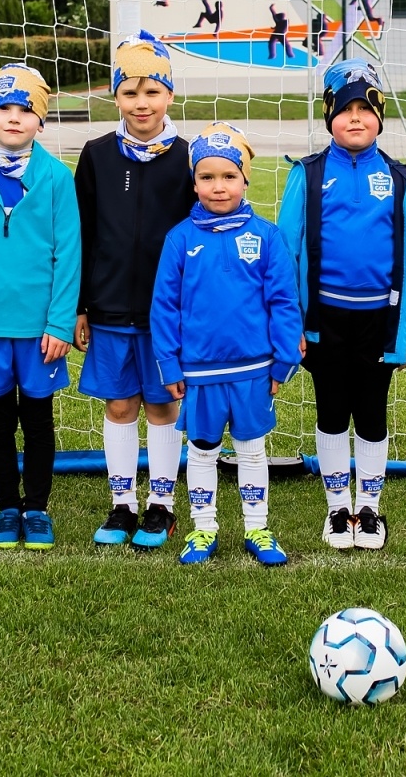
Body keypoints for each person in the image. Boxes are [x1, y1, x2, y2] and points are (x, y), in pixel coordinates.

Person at [277, 60, 406, 550]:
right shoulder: (307, 175)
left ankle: (369, 507)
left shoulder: (402, 181)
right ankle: (336, 507)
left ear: (381, 117)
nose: (356, 118)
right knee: (331, 411)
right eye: (345, 109)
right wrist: (288, 326)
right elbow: (285, 252)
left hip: (379, 322)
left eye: (366, 108)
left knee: (371, 411)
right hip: (323, 321)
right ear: (329, 117)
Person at [150, 123, 302, 567]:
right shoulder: (179, 239)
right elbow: (164, 306)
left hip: (253, 369)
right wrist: (170, 365)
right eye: (207, 177)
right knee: (201, 450)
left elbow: (284, 303)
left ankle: (257, 526)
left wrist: (283, 361)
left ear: (245, 179)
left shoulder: (267, 236)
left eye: (229, 176)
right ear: (193, 181)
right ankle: (203, 528)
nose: (218, 187)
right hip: (198, 372)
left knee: (252, 450)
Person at [0, 65, 81, 552]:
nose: (14, 118)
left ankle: (38, 506)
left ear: (40, 122)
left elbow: (69, 255)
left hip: (39, 327)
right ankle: (7, 506)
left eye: (26, 110)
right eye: (3, 108)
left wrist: (60, 321)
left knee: (39, 419)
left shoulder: (56, 178)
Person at [73, 34, 196, 548]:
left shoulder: (190, 159)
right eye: (129, 93)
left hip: (168, 316)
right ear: (115, 98)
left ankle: (162, 503)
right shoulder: (97, 155)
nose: (140, 104)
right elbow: (82, 233)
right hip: (108, 308)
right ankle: (122, 503)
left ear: (169, 95)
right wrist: (79, 305)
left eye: (151, 92)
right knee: (120, 406)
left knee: (163, 405)